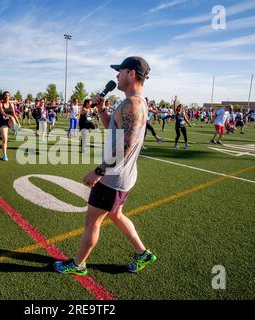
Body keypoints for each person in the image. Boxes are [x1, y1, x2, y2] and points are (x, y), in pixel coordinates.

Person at [54, 56, 157, 276]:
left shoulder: (133, 104)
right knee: (116, 214)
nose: (116, 76)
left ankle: (79, 264)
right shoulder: (133, 101)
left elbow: (126, 144)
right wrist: (102, 110)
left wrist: (100, 170)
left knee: (92, 220)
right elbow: (114, 127)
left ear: (131, 73)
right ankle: (142, 253)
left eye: (120, 71)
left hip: (113, 176)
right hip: (123, 175)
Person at [0, 91, 21, 161]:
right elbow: (2, 112)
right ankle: (5, 155)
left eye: (8, 95)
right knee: (5, 140)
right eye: (5, 95)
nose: (6, 97)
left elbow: (14, 114)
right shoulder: (0, 103)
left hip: (10, 121)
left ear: (9, 97)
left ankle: (15, 129)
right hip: (3, 122)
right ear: (3, 96)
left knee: (12, 117)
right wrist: (6, 115)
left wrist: (18, 122)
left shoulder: (11, 104)